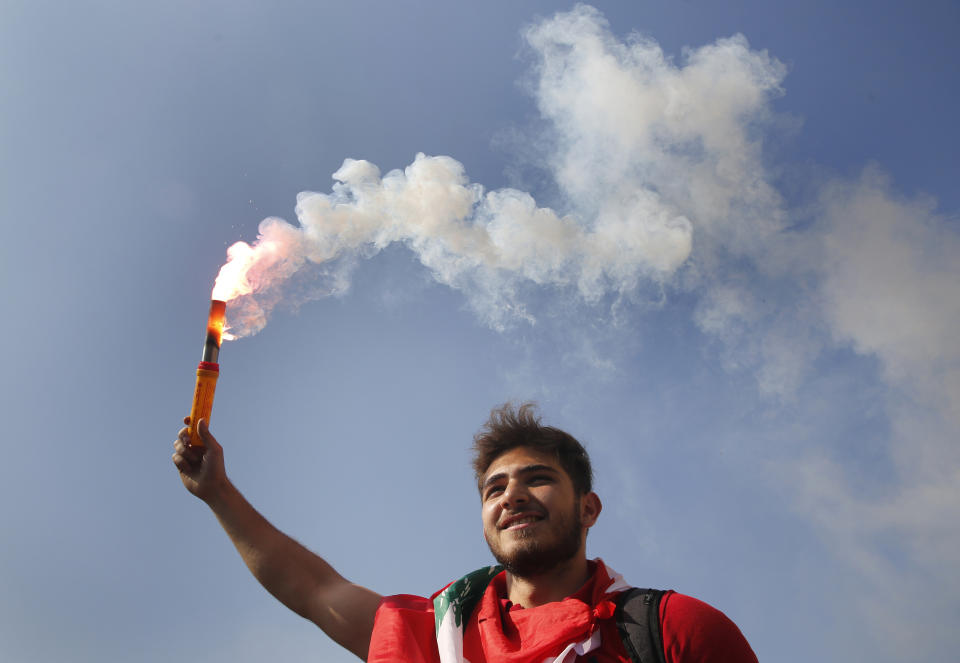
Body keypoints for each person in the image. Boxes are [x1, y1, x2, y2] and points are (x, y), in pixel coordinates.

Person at [173, 403, 758, 662]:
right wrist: (218, 493)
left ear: (589, 509)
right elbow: (314, 591)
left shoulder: (673, 631)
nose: (513, 496)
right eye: (494, 488)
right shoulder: (434, 634)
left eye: (538, 479)